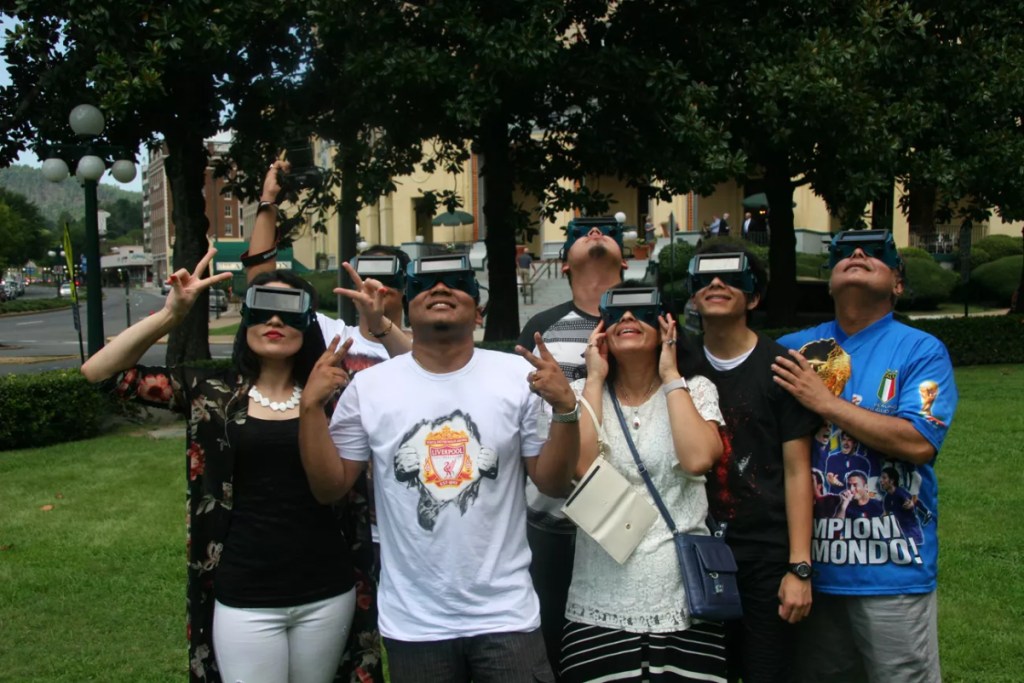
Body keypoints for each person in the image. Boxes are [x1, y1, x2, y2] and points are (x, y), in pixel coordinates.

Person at [298, 255, 581, 682]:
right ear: (407, 304)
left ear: (478, 307)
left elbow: (555, 483)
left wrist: (565, 410)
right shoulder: (371, 388)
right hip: (415, 622)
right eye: (428, 283)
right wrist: (309, 408)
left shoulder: (516, 377)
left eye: (457, 282)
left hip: (505, 614)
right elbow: (329, 487)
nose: (442, 289)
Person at [81, 250, 360, 683]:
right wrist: (171, 315)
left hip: (326, 586)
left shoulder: (338, 394)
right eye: (263, 309)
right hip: (244, 588)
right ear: (246, 318)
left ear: (308, 324)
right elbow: (99, 373)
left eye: (288, 313)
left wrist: (377, 330)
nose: (274, 322)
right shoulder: (208, 393)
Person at [244, 159, 410, 679]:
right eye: (362, 277)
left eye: (385, 281)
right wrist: (269, 202)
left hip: (411, 526)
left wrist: (382, 327)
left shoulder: (426, 347)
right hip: (348, 521)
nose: (373, 289)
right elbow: (262, 282)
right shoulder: (330, 338)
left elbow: (425, 374)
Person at [773, 229, 957, 683]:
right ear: (829, 280)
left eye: (875, 253)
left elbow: (919, 442)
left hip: (893, 571)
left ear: (897, 282)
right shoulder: (792, 349)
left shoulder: (921, 350)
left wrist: (827, 404)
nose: (856, 254)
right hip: (812, 572)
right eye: (842, 254)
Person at [560, 282, 726, 683]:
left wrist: (670, 375)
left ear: (666, 326)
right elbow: (580, 468)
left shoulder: (695, 390)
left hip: (683, 597)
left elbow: (698, 457)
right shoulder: (583, 392)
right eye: (616, 314)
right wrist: (595, 379)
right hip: (599, 595)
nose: (628, 318)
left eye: (641, 311)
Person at [688, 245, 819, 683]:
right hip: (695, 554)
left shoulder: (782, 367)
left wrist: (799, 567)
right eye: (706, 278)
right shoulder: (676, 366)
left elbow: (798, 469)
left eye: (731, 277)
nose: (717, 284)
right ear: (692, 295)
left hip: (765, 555)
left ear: (755, 296)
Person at [517, 218, 627, 673]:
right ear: (564, 264)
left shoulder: (649, 315)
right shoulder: (542, 328)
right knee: (555, 647)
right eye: (583, 232)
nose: (596, 232)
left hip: (631, 514)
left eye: (608, 232)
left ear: (628, 258)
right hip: (555, 520)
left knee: (618, 647)